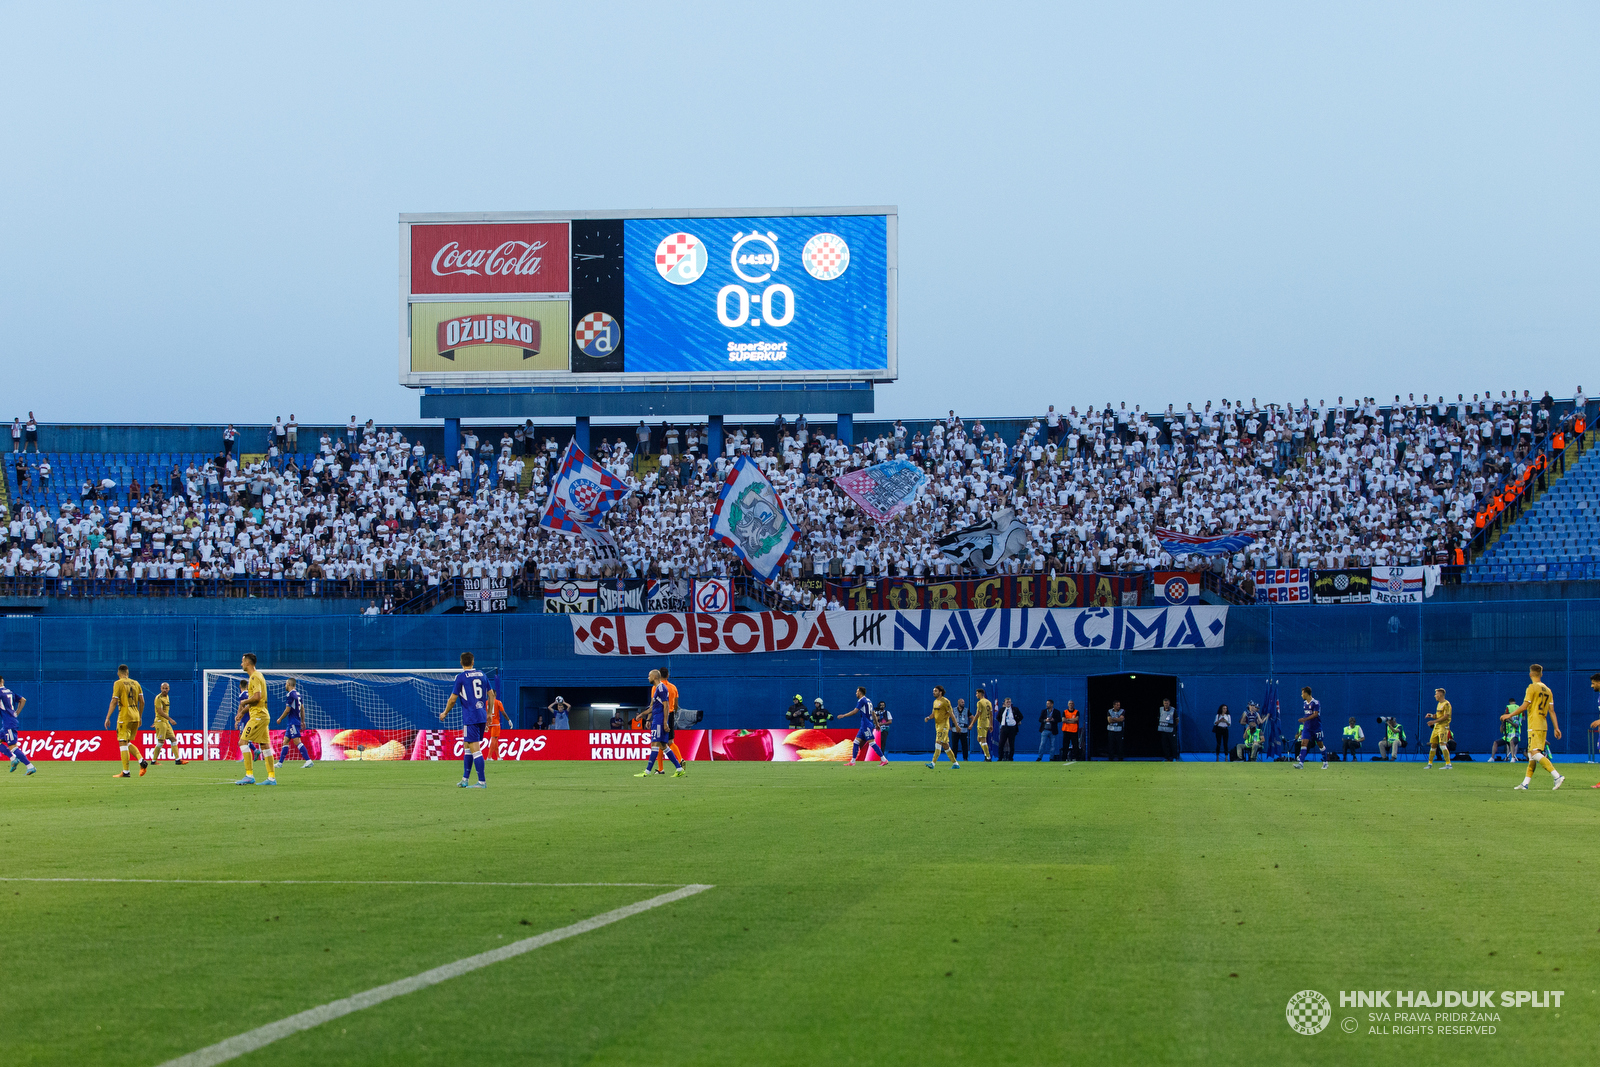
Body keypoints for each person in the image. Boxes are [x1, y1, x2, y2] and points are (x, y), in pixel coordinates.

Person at [1506, 663, 1563, 791]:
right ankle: (1525, 783)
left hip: (1535, 724)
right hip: (1543, 724)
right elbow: (1552, 711)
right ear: (1541, 674)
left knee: (1534, 753)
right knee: (1532, 756)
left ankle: (1557, 776)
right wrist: (1556, 728)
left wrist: (1509, 715)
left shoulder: (1532, 687)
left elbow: (1524, 706)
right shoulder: (1548, 690)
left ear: (1530, 674)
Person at [440, 652, 490, 787]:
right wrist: (489, 713)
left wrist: (445, 712)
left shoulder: (461, 677)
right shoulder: (482, 674)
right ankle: (465, 779)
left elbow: (452, 700)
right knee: (467, 745)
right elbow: (491, 694)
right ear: (473, 662)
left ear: (461, 663)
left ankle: (481, 781)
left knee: (474, 747)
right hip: (481, 715)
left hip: (471, 716)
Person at [233, 653, 276, 785]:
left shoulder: (254, 677)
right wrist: (242, 712)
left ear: (247, 663)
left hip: (258, 717)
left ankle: (249, 775)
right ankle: (271, 778)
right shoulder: (259, 675)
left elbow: (257, 697)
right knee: (265, 746)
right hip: (262, 715)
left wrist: (243, 702)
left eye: (242, 661)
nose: (241, 664)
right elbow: (257, 700)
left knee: (243, 742)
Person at [634, 669, 685, 778]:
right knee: (663, 745)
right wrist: (642, 715)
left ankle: (647, 772)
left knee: (654, 744)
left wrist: (665, 722)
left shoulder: (661, 688)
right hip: (658, 718)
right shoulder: (658, 688)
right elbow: (653, 707)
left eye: (649, 676)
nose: (648, 678)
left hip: (659, 720)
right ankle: (679, 768)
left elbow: (666, 706)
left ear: (655, 677)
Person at [104, 663, 147, 778]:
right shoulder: (136, 683)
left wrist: (108, 717)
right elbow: (142, 701)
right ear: (127, 673)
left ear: (118, 673)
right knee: (127, 742)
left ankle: (126, 771)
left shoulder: (118, 683)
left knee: (122, 742)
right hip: (135, 716)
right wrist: (140, 716)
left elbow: (114, 701)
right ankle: (141, 760)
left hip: (124, 716)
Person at [839, 686, 887, 766]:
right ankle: (853, 762)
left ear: (860, 693)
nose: (856, 693)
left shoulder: (861, 700)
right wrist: (877, 723)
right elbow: (873, 713)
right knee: (856, 742)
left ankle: (883, 759)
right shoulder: (869, 701)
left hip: (866, 724)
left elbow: (855, 711)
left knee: (872, 743)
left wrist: (844, 715)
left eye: (857, 692)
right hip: (865, 725)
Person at [0, 675, 37, 775]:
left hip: (9, 723)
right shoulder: (9, 691)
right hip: (10, 721)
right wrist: (16, 713)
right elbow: (23, 700)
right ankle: (13, 759)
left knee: (13, 746)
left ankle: (30, 766)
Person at [654, 667, 686, 773]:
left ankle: (661, 769)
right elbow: (676, 705)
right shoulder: (673, 687)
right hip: (671, 714)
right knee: (670, 741)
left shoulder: (656, 687)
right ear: (668, 675)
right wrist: (672, 713)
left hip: (660, 715)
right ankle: (680, 759)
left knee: (659, 742)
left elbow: (653, 703)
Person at [276, 677, 311, 768]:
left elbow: (287, 710)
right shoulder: (299, 694)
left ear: (288, 684)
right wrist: (302, 721)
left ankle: (308, 760)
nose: (285, 685)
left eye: (285, 683)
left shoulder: (290, 695)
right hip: (294, 721)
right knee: (285, 741)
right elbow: (302, 709)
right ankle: (280, 763)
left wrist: (280, 719)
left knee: (297, 741)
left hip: (293, 722)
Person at [923, 685, 961, 770]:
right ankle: (955, 763)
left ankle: (932, 763)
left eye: (935, 691)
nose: (934, 692)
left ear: (940, 692)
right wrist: (928, 718)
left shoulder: (945, 701)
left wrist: (956, 725)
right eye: (933, 691)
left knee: (938, 742)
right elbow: (933, 714)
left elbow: (951, 714)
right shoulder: (935, 702)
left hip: (944, 725)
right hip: (937, 726)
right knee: (945, 745)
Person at [151, 681, 185, 764]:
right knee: (161, 741)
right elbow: (160, 711)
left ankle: (177, 760)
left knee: (173, 739)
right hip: (161, 721)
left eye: (166, 688)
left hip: (165, 722)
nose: (165, 690)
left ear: (169, 689)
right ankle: (153, 761)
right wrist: (170, 719)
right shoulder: (158, 698)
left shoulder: (167, 697)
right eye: (163, 688)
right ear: (160, 689)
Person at [1294, 687, 1328, 769]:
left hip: (1316, 727)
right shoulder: (1305, 703)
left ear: (1306, 693)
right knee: (1303, 743)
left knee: (1320, 745)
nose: (1301, 695)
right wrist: (1304, 721)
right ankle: (1301, 763)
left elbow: (1315, 714)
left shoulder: (1315, 703)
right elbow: (1307, 715)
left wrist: (1305, 719)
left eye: (1302, 693)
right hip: (1307, 727)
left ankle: (1325, 762)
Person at [1425, 688, 1453, 770]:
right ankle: (1429, 764)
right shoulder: (1439, 704)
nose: (1435, 696)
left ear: (1440, 695)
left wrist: (1433, 722)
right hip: (1437, 727)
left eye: (1436, 694)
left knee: (1442, 744)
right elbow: (1439, 716)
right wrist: (1431, 715)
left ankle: (1448, 764)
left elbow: (1445, 717)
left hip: (1443, 726)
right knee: (1433, 744)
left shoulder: (1446, 704)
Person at [482, 690, 505, 760]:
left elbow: (484, 713)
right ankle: (489, 756)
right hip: (495, 723)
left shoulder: (485, 703)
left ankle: (498, 756)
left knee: (495, 740)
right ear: (495, 694)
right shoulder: (498, 702)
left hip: (488, 723)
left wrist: (485, 723)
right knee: (494, 739)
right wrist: (508, 720)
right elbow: (503, 712)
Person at [973, 687, 994, 761]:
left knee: (983, 740)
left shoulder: (980, 702)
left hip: (982, 723)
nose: (976, 695)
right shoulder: (989, 702)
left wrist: (972, 723)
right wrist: (991, 724)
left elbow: (978, 714)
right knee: (979, 739)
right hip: (987, 723)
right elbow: (991, 714)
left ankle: (988, 757)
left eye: (977, 693)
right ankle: (986, 754)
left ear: (980, 694)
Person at [997, 696, 1020, 761]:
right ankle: (1000, 757)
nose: (1008, 703)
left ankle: (1010, 757)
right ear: (1005, 703)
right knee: (1001, 743)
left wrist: (1015, 722)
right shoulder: (1002, 710)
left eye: (1009, 702)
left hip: (1012, 728)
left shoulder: (1014, 709)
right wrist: (1003, 722)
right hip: (1004, 728)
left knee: (1011, 743)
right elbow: (998, 717)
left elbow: (1020, 716)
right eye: (1007, 702)